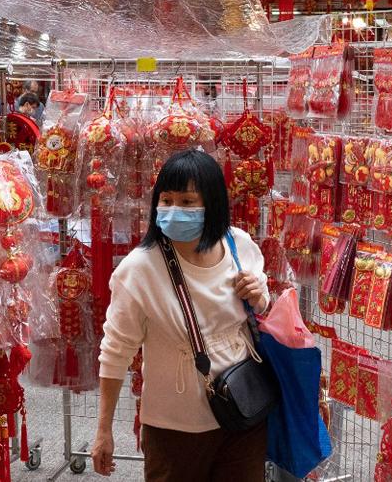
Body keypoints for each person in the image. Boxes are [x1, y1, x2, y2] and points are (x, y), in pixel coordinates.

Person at [92, 150, 270, 482]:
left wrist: (261, 298)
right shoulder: (139, 269)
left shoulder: (239, 246)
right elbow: (115, 352)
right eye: (167, 200)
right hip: (174, 427)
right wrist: (104, 430)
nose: (175, 210)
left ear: (213, 203)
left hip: (244, 412)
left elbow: (262, 314)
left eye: (188, 202)